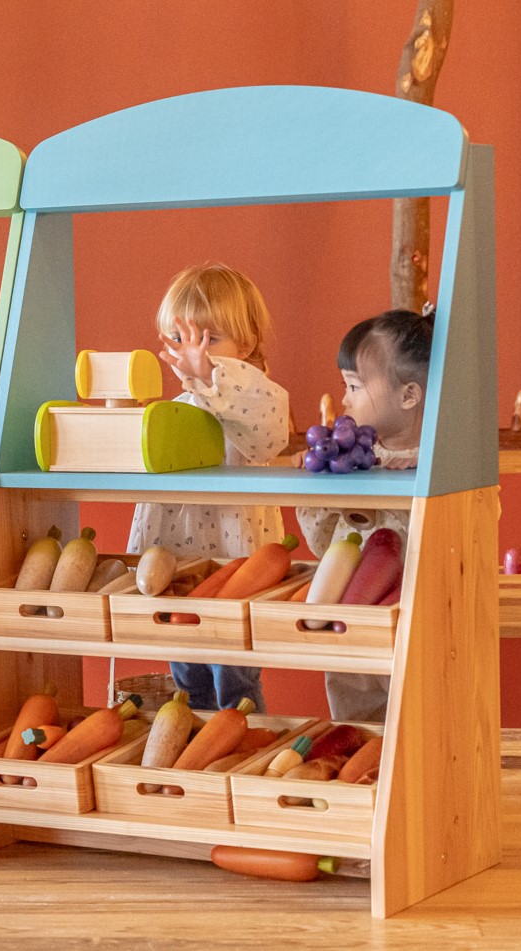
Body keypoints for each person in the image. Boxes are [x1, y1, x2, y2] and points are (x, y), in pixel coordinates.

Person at [128, 263, 290, 712]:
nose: (193, 354)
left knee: (235, 679)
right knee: (187, 678)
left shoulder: (255, 400)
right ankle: (191, 744)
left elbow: (269, 435)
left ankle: (241, 741)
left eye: (209, 340)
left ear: (247, 344)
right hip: (183, 567)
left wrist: (213, 376)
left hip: (239, 564)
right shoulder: (176, 410)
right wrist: (143, 558)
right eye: (180, 340)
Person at [296, 306, 434, 721]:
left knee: (416, 717)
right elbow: (323, 544)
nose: (344, 398)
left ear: (409, 396)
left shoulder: (441, 462)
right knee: (355, 721)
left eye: (354, 386)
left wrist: (426, 476)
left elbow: (464, 532)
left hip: (414, 624)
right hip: (347, 624)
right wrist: (318, 484)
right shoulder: (349, 457)